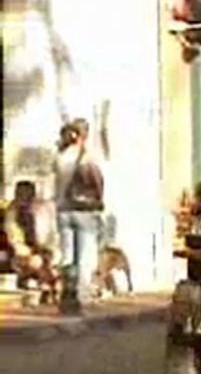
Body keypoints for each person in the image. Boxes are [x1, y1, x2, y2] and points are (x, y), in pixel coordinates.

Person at [54, 120, 105, 312]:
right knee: (85, 256)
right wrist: (99, 200)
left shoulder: (59, 156)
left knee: (67, 255)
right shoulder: (85, 155)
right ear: (83, 135)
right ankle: (82, 297)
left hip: (63, 210)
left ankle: (66, 294)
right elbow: (95, 179)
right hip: (83, 210)